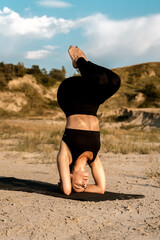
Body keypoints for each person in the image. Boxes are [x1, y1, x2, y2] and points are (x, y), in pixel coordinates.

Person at [57, 45, 121, 195]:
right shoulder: (93, 158)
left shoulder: (66, 155)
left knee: (100, 80)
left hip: (70, 96)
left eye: (79, 185)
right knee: (114, 81)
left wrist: (67, 187)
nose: (85, 183)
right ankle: (83, 62)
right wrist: (83, 189)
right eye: (85, 186)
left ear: (70, 176)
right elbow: (100, 189)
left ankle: (78, 60)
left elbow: (67, 191)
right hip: (92, 103)